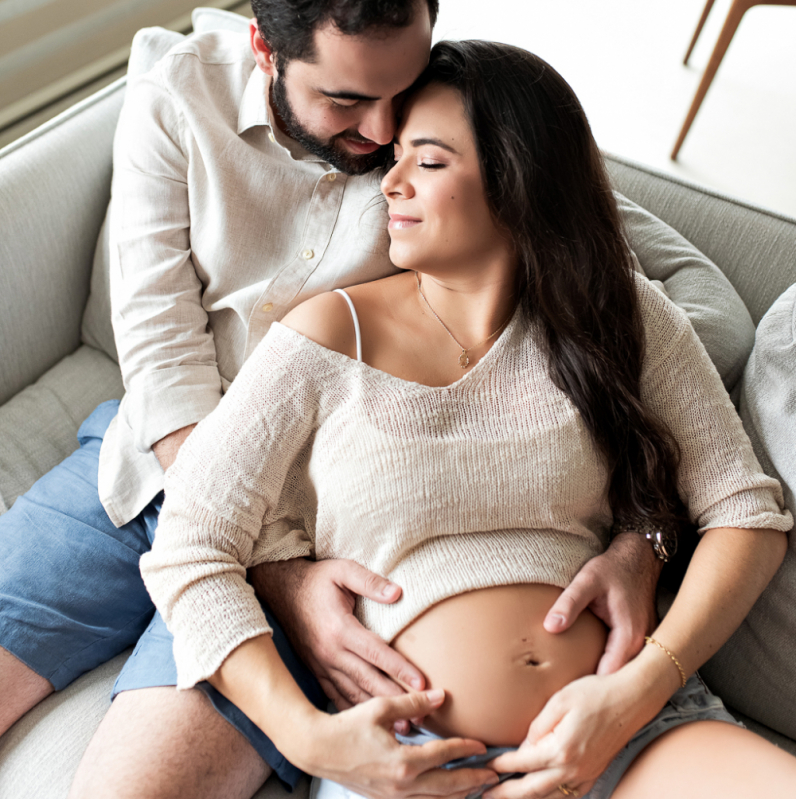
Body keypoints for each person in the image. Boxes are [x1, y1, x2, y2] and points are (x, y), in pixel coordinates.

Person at [0, 2, 757, 797]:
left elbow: (615, 264)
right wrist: (284, 573)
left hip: (347, 523)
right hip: (168, 475)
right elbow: (163, 365)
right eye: (348, 101)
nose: (381, 130)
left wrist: (642, 512)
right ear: (265, 49)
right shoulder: (177, 100)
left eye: (402, 94)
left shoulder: (439, 126)